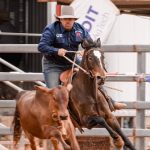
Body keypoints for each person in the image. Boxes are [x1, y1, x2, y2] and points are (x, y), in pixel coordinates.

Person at [38, 5, 126, 110]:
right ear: (60, 19)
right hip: (53, 64)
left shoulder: (79, 29)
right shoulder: (51, 29)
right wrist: (56, 51)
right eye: (65, 19)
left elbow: (90, 44)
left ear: (74, 20)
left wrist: (86, 50)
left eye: (70, 19)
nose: (68, 21)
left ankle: (110, 101)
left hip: (72, 61)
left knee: (92, 75)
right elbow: (41, 46)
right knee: (53, 91)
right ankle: (53, 116)